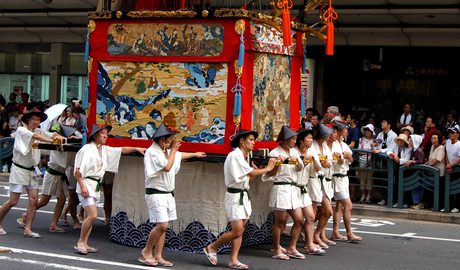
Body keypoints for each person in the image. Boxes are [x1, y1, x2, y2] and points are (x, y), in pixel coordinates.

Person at [203, 129, 276, 269]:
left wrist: (257, 170)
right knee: (237, 230)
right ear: (242, 141)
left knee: (241, 229)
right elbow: (252, 173)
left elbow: (248, 176)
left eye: (253, 140)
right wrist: (267, 168)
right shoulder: (234, 155)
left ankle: (233, 259)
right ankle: (212, 247)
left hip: (243, 195)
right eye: (250, 139)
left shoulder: (243, 157)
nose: (253, 142)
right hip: (235, 197)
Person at [74, 124, 146, 254]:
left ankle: (84, 242)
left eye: (106, 133)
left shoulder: (104, 149)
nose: (106, 136)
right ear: (96, 136)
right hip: (86, 183)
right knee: (92, 215)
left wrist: (136, 147)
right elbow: (78, 171)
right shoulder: (86, 149)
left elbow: (120, 150)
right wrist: (83, 186)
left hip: (94, 185)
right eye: (103, 134)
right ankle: (80, 242)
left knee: (87, 217)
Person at [141, 123, 205, 267]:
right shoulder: (153, 152)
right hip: (156, 193)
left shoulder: (165, 151)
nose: (172, 141)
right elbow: (167, 166)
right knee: (162, 225)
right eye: (170, 138)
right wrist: (174, 150)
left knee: (164, 226)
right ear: (162, 139)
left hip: (168, 194)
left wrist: (194, 154)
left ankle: (158, 255)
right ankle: (146, 251)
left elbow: (179, 156)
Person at [0, 111, 64, 237]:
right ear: (28, 119)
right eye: (33, 119)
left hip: (32, 170)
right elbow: (37, 137)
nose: (36, 122)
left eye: (38, 120)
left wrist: (59, 136)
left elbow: (51, 134)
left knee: (34, 200)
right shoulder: (21, 130)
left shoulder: (39, 130)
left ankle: (28, 229)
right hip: (19, 169)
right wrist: (52, 141)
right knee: (13, 201)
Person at [16, 124, 77, 233]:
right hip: (53, 173)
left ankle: (53, 224)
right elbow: (61, 142)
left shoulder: (66, 141)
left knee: (62, 200)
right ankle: (26, 215)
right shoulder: (57, 141)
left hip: (61, 174)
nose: (72, 136)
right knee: (44, 200)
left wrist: (71, 138)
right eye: (70, 135)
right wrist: (65, 139)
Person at [262, 125, 305, 260]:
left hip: (293, 189)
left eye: (295, 139)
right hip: (280, 188)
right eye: (292, 139)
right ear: (286, 140)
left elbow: (300, 169)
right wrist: (278, 164)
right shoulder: (275, 153)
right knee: (279, 222)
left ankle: (292, 247)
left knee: (299, 219)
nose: (294, 142)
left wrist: (297, 162)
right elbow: (270, 173)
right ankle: (276, 249)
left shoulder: (295, 152)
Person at [294, 129, 325, 255]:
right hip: (293, 188)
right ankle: (282, 246)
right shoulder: (294, 151)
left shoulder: (312, 151)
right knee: (285, 219)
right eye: (309, 138)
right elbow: (294, 169)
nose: (311, 140)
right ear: (301, 140)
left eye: (312, 138)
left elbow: (318, 169)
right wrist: (302, 161)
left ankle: (309, 244)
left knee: (311, 216)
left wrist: (313, 160)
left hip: (304, 188)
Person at [331, 121, 362, 243]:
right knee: (348, 205)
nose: (347, 132)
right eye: (345, 130)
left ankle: (335, 231)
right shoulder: (333, 145)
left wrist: (348, 156)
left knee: (340, 206)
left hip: (344, 176)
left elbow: (352, 159)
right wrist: (343, 156)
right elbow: (335, 160)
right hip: (337, 176)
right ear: (339, 132)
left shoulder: (344, 144)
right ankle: (349, 233)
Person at [308, 124, 335, 249]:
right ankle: (311, 238)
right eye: (326, 134)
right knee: (313, 212)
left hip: (323, 181)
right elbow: (313, 163)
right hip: (312, 180)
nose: (328, 136)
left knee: (328, 211)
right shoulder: (312, 145)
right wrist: (320, 163)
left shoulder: (325, 146)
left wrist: (326, 163)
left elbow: (330, 163)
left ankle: (316, 234)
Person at [387, 134, 412, 208]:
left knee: (406, 185)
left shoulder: (408, 149)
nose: (400, 142)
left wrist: (399, 159)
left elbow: (407, 159)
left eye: (402, 141)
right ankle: (397, 201)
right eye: (399, 140)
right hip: (397, 169)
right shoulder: (395, 147)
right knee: (396, 185)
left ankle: (406, 202)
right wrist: (394, 155)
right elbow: (388, 151)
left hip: (405, 169)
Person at [405, 135, 426, 209]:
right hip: (413, 173)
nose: (410, 142)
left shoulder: (419, 151)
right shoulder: (412, 150)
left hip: (419, 173)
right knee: (413, 188)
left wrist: (412, 161)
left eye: (411, 140)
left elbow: (420, 161)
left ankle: (418, 203)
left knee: (417, 188)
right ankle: (415, 202)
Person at [425, 132, 445, 210]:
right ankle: (431, 205)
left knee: (439, 190)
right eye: (432, 138)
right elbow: (431, 159)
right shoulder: (432, 147)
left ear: (439, 139)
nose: (433, 140)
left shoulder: (441, 148)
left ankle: (439, 206)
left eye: (435, 138)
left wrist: (428, 164)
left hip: (439, 173)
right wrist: (427, 162)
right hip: (432, 173)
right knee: (431, 189)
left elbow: (437, 160)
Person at [357, 124, 375, 203]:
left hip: (371, 161)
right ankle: (362, 195)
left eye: (369, 130)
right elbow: (358, 150)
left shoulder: (374, 140)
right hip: (362, 160)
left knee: (369, 178)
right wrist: (365, 153)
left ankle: (368, 196)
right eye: (366, 130)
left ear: (372, 132)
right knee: (362, 178)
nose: (367, 132)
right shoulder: (361, 139)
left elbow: (376, 150)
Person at [445, 124, 460, 213]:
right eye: (450, 133)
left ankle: (457, 207)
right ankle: (448, 206)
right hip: (449, 168)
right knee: (448, 187)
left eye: (453, 133)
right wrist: (448, 164)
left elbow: (459, 158)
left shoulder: (459, 144)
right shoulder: (447, 142)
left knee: (458, 188)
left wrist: (452, 165)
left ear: (457, 134)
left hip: (457, 169)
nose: (451, 134)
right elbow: (446, 154)